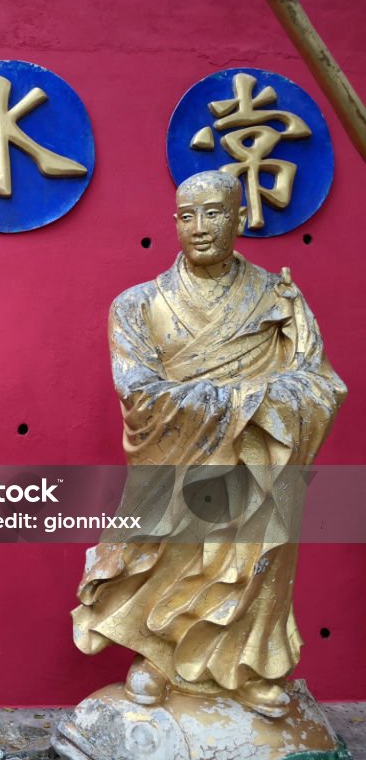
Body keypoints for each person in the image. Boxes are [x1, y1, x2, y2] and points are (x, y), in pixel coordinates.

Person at [71, 170, 345, 719]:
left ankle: (248, 667)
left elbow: (320, 384)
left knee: (255, 557)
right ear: (174, 222)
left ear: (241, 218)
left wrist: (249, 409)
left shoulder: (278, 299)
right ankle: (161, 658)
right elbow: (141, 396)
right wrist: (246, 401)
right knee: (170, 556)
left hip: (262, 463)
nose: (199, 227)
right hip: (179, 464)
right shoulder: (138, 305)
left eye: (215, 213)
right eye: (187, 215)